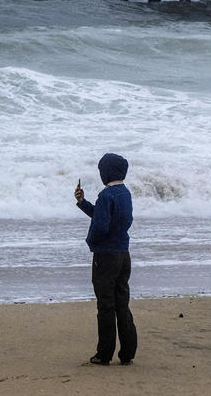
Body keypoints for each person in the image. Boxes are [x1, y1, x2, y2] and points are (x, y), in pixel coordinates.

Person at [74, 153, 138, 366]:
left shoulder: (107, 196)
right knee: (122, 302)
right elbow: (109, 217)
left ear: (106, 172)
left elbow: (101, 225)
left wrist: (91, 242)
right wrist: (83, 203)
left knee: (106, 305)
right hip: (123, 254)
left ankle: (104, 354)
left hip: (106, 256)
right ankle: (128, 352)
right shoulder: (124, 193)